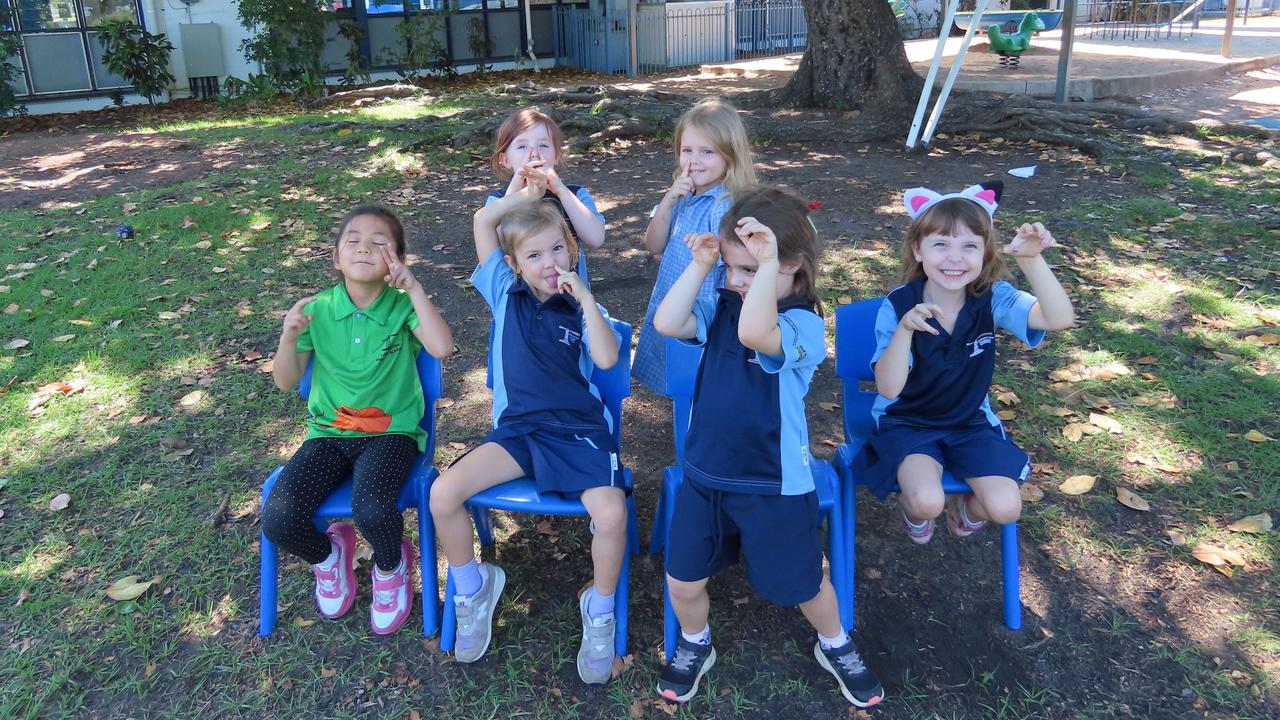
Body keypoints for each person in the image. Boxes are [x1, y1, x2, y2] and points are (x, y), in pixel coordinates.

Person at [652, 187, 884, 708]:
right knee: (683, 579)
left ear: (794, 266)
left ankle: (835, 642)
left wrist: (767, 259)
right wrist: (704, 264)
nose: (737, 280)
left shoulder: (803, 323)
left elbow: (758, 332)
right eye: (733, 268)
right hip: (706, 475)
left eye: (751, 270)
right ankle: (695, 642)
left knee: (803, 583)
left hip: (773, 482)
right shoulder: (722, 304)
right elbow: (667, 323)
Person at [429, 168, 628, 685]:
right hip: (519, 432)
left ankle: (601, 608)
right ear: (513, 265)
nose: (549, 264)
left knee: (611, 512)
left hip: (579, 431)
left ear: (573, 252)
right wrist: (525, 194)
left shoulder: (587, 309)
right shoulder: (504, 294)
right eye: (533, 256)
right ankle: (473, 588)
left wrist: (585, 301)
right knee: (444, 493)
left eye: (557, 251)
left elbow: (606, 360)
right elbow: (481, 222)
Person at [263, 205, 454, 635]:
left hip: (393, 435)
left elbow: (442, 348)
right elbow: (285, 381)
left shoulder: (403, 307)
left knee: (371, 509)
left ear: (396, 260)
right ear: (336, 258)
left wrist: (416, 289)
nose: (365, 247)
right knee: (279, 519)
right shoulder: (317, 310)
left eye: (380, 242)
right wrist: (289, 336)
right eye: (353, 240)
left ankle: (390, 566)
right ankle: (330, 559)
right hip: (327, 435)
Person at [855, 183, 1075, 544]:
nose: (955, 258)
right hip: (907, 420)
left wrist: (1032, 261)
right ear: (918, 250)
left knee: (1006, 508)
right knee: (927, 502)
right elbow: (889, 388)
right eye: (941, 244)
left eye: (969, 246)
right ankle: (914, 513)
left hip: (969, 421)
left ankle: (965, 511)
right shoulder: (898, 305)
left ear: (985, 253)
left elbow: (1058, 318)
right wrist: (906, 330)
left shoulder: (992, 298)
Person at [633, 97, 756, 395]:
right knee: (680, 373)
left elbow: (735, 266)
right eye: (687, 150)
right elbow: (653, 245)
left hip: (704, 309)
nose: (694, 160)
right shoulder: (682, 195)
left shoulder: (724, 205)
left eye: (707, 152)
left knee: (701, 376)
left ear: (730, 154)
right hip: (673, 297)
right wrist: (667, 202)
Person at [486, 107, 605, 280]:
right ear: (505, 160)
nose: (534, 153)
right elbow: (493, 250)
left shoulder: (575, 195)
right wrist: (515, 191)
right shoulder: (497, 201)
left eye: (543, 145)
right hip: (519, 300)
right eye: (522, 146)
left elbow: (596, 238)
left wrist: (560, 190)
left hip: (571, 299)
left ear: (556, 155)